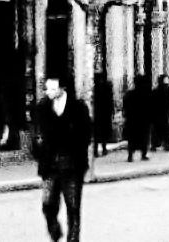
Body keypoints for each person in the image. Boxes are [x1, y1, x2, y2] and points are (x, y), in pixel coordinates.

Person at [32, 75, 92, 242]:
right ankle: (55, 230)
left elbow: (86, 133)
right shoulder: (42, 107)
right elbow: (37, 133)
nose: (48, 92)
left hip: (72, 165)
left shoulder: (78, 107)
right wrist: (39, 152)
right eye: (47, 89)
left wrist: (77, 152)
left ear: (62, 89)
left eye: (52, 89)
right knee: (47, 204)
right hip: (50, 166)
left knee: (73, 207)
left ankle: (73, 239)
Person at [123, 74, 150, 162]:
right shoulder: (146, 94)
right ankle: (143, 154)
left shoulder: (129, 94)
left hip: (132, 119)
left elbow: (125, 106)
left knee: (132, 138)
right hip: (142, 119)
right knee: (143, 137)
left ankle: (130, 155)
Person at [92, 74, 113, 158]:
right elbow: (109, 101)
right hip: (104, 112)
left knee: (97, 133)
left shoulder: (94, 89)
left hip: (97, 113)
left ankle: (96, 150)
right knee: (103, 132)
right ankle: (103, 149)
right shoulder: (106, 88)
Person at [151, 74, 169, 151]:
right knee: (163, 129)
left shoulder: (156, 91)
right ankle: (164, 144)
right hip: (161, 113)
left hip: (159, 113)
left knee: (159, 129)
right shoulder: (165, 91)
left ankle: (156, 144)